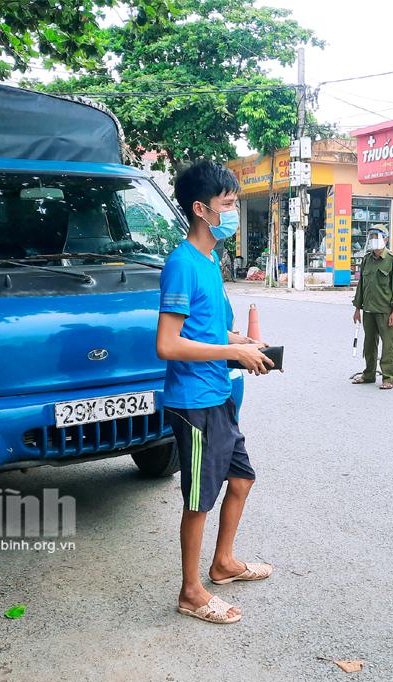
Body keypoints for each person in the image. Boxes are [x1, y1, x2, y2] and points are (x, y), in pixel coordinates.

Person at [155, 161, 274, 625]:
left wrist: (242, 344)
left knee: (241, 479)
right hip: (193, 402)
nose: (233, 212)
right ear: (201, 209)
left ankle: (223, 564)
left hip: (218, 393)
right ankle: (190, 592)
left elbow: (208, 327)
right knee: (199, 498)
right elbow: (167, 343)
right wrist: (230, 348)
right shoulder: (182, 263)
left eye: (235, 203)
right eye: (228, 205)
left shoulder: (209, 262)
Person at [351, 224, 393, 390]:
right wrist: (357, 309)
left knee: (388, 345)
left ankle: (388, 378)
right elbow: (361, 285)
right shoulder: (366, 259)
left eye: (377, 236)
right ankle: (369, 374)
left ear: (385, 239)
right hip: (368, 310)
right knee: (369, 345)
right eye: (371, 236)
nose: (373, 240)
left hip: (385, 310)